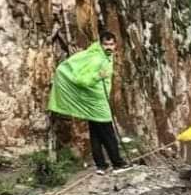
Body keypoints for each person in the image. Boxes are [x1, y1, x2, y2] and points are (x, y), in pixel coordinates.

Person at [48, 31, 132, 175]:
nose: (109, 47)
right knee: (108, 133)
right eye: (106, 44)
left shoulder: (105, 56)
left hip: (97, 100)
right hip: (96, 102)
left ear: (115, 45)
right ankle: (118, 164)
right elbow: (82, 80)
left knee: (96, 134)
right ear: (100, 44)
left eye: (111, 44)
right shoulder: (96, 59)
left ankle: (101, 166)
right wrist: (98, 76)